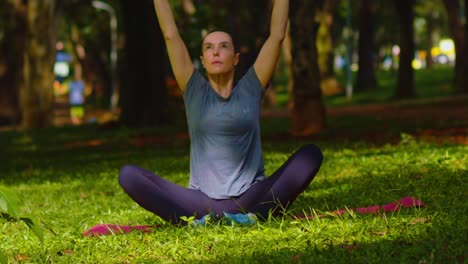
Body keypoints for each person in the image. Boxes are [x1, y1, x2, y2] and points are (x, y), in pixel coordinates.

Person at [118, 0, 323, 225]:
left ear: (236, 59)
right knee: (128, 175)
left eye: (224, 46)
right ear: (203, 62)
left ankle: (252, 218)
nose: (216, 51)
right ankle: (193, 223)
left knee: (310, 155)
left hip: (250, 196)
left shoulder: (251, 87)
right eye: (209, 47)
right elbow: (170, 33)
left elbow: (277, 35)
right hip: (201, 201)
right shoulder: (193, 89)